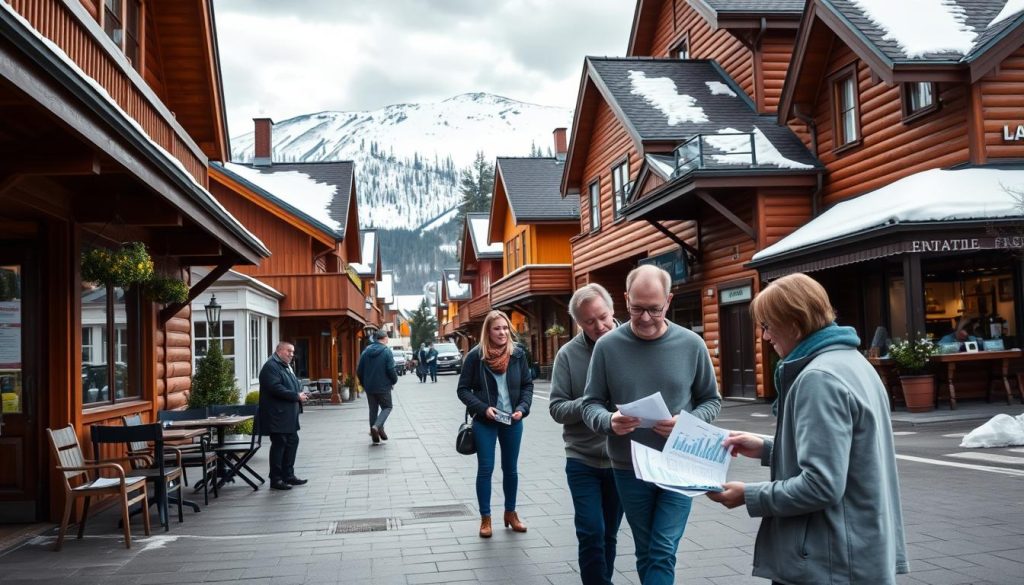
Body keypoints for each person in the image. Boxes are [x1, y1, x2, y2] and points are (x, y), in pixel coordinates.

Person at [707, 273, 909, 584]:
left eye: (767, 325)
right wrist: (766, 447)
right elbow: (847, 453)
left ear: (795, 323)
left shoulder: (819, 378)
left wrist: (749, 495)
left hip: (829, 560)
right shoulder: (852, 362)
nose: (764, 337)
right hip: (856, 549)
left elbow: (821, 485)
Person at [581, 265, 720, 585]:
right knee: (646, 549)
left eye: (654, 309)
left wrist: (688, 422)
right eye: (636, 308)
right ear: (626, 299)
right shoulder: (607, 347)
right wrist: (609, 422)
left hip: (682, 460)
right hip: (629, 466)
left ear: (669, 301)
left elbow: (712, 400)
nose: (644, 317)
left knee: (662, 548)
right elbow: (590, 404)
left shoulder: (691, 345)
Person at [550, 284, 623, 585]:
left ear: (613, 310)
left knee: (608, 533)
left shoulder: (634, 342)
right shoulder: (567, 355)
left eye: (602, 317)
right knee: (590, 531)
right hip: (583, 459)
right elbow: (556, 408)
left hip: (623, 460)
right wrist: (590, 401)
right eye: (588, 322)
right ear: (578, 323)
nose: (599, 326)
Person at [457, 310, 534, 538]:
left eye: (504, 328)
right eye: (496, 328)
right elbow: (462, 390)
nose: (502, 332)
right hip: (485, 421)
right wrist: (482, 408)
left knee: (510, 470)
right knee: (486, 469)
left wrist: (522, 408)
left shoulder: (517, 354)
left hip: (512, 420)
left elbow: (527, 385)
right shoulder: (475, 356)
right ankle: (485, 519)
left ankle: (510, 513)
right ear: (488, 332)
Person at [258, 341, 309, 491]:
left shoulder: (286, 366)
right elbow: (275, 388)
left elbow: (293, 383)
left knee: (292, 441)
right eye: (289, 351)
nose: (292, 354)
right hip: (277, 415)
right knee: (279, 445)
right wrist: (295, 395)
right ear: (279, 350)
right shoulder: (271, 366)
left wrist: (300, 392)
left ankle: (288, 475)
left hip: (288, 414)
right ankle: (276, 479)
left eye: (293, 352)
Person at [357, 329, 398, 445]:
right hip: (383, 386)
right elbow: (391, 369)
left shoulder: (366, 351)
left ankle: (376, 435)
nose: (388, 340)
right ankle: (376, 427)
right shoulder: (386, 351)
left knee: (373, 410)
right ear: (384, 339)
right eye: (387, 338)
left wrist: (364, 383)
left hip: (370, 387)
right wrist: (394, 380)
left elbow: (359, 370)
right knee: (387, 407)